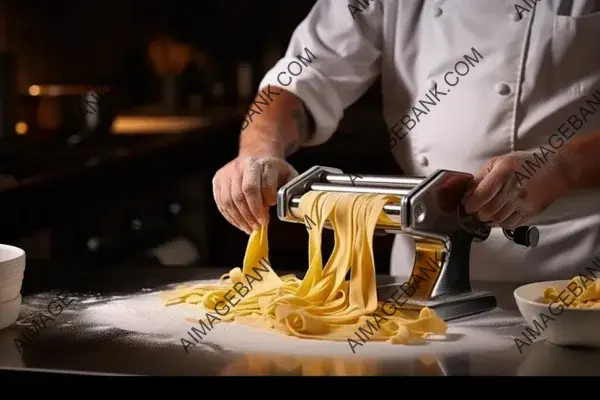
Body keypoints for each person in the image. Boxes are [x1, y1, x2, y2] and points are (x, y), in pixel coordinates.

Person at [212, 0, 600, 282]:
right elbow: (302, 75)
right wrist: (259, 150)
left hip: (573, 263)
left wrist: (563, 167)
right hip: (422, 257)